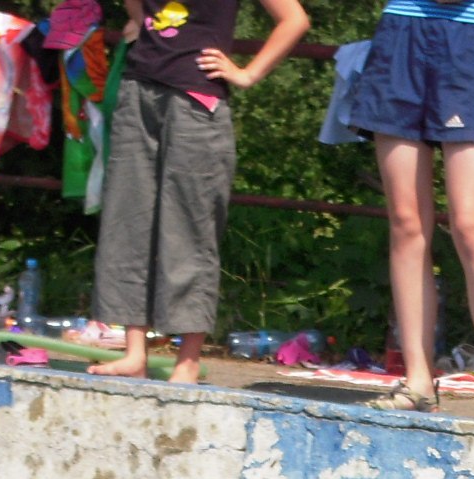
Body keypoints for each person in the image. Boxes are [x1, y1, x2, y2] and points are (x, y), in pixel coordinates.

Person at [86, 0, 311, 383]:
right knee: (127, 223)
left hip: (197, 101)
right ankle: (134, 354)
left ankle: (187, 362)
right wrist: (142, 22)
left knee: (190, 228)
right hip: (138, 90)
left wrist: (248, 73)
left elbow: (294, 19)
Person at [348, 0, 474, 424]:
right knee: (407, 222)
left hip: (471, 41)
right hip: (401, 36)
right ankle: (418, 384)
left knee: (472, 224)